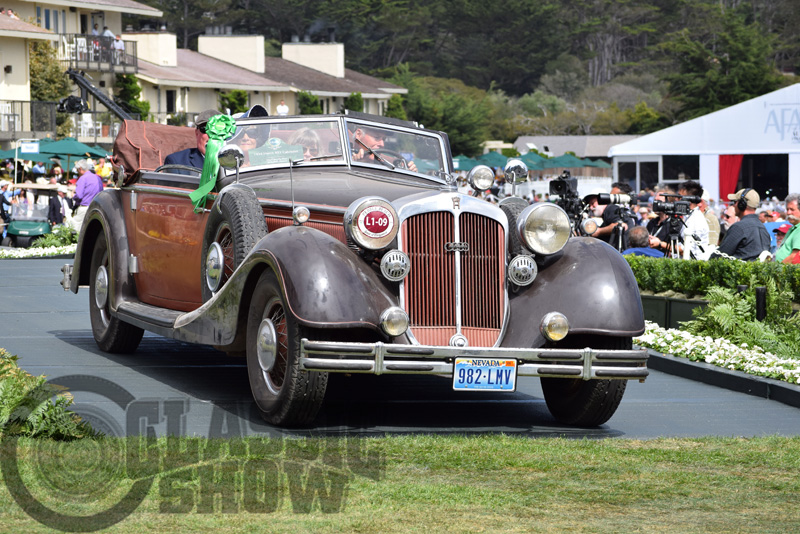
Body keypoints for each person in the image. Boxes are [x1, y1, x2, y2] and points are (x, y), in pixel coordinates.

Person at [711, 188, 771, 261]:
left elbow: (719, 257)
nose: (733, 205)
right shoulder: (763, 228)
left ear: (741, 204)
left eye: (735, 202)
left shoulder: (738, 227)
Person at [349, 124, 418, 172]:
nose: (382, 144)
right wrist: (355, 165)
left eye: (384, 139)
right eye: (377, 137)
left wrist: (410, 172)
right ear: (358, 134)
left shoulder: (389, 165)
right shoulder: (342, 160)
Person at [677, 180, 710, 259]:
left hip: (693, 266)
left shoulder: (696, 220)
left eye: (680, 197)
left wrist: (660, 244)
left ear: (689, 199)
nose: (676, 200)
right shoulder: (689, 216)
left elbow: (686, 249)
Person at [71, 159, 104, 234]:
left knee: (75, 229)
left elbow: (79, 196)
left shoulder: (83, 178)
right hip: (96, 208)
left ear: (80, 169)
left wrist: (73, 196)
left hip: (84, 207)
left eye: (77, 170)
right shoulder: (98, 178)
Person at [775, 193, 800, 264]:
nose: (788, 213)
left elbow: (795, 257)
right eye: (787, 209)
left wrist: (776, 270)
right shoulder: (793, 228)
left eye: (792, 209)